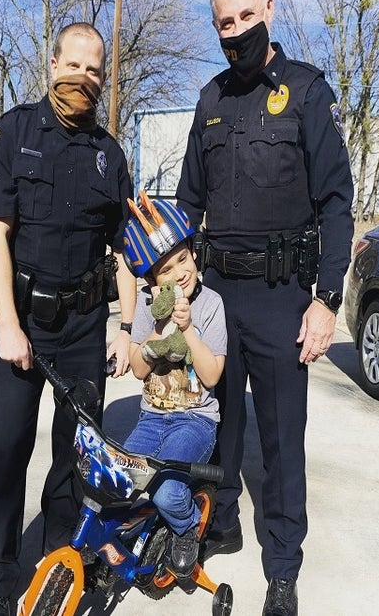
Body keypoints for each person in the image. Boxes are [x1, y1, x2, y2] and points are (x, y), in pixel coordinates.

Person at [175, 0, 355, 616]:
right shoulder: (210, 100)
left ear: (270, 9)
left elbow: (337, 200)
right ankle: (217, 520)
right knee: (215, 423)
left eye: (248, 15)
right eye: (226, 21)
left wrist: (326, 298)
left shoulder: (306, 92)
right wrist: (170, 282)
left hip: (284, 298)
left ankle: (282, 566)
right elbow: (187, 200)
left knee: (280, 439)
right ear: (215, 26)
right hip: (217, 292)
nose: (238, 29)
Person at [0, 21, 139, 616]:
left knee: (74, 454)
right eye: (76, 65)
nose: (85, 78)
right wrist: (10, 325)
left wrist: (126, 325)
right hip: (24, 322)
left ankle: (56, 562)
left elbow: (125, 250)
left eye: (95, 70)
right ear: (53, 64)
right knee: (8, 447)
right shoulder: (14, 133)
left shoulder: (110, 155)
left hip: (84, 328)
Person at [120, 191, 226, 579]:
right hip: (152, 418)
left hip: (195, 421)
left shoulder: (212, 304)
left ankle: (186, 528)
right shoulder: (149, 311)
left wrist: (186, 328)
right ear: (152, 281)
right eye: (166, 269)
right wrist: (156, 333)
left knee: (166, 491)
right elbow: (137, 370)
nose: (180, 272)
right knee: (124, 480)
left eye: (183, 258)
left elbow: (212, 375)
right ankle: (148, 530)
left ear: (193, 254)